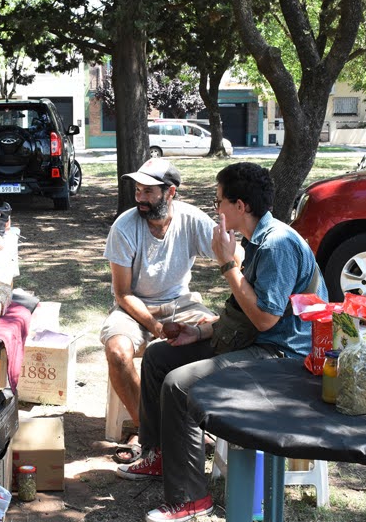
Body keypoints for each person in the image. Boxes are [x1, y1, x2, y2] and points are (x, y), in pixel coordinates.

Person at [116, 162, 327, 522]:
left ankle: (191, 498)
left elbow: (264, 318)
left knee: (179, 386)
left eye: (218, 202)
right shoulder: (256, 239)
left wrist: (227, 264)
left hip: (281, 357)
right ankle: (162, 455)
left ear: (240, 206)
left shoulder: (277, 245)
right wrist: (198, 331)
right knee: (158, 358)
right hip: (253, 340)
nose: (216, 210)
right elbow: (243, 315)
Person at [100, 158, 218, 464]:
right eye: (138, 190)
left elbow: (230, 251)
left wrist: (238, 260)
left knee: (220, 337)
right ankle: (148, 429)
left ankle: (197, 421)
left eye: (148, 191)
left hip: (182, 303)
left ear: (171, 193)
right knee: (117, 351)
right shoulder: (125, 227)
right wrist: (155, 326)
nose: (139, 197)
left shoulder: (192, 219)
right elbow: (122, 293)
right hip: (134, 307)